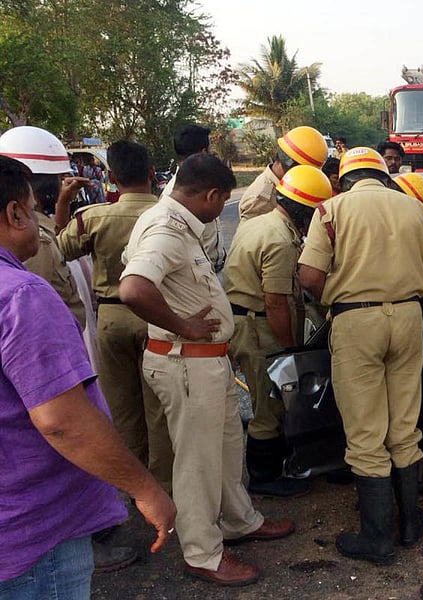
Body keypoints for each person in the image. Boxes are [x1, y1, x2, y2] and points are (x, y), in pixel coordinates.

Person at [0, 154, 176, 598]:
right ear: (15, 213)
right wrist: (146, 489)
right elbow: (61, 420)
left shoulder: (92, 219)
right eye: (32, 208)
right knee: (151, 410)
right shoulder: (21, 295)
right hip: (33, 531)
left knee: (125, 408)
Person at [120, 153, 295, 586]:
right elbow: (133, 288)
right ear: (212, 195)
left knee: (227, 448)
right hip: (185, 363)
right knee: (198, 462)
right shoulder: (165, 227)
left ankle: (239, 520)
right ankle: (202, 553)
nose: (223, 209)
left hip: (204, 362)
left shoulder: (173, 221)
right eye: (223, 201)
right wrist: (184, 326)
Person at [298, 146, 423, 565]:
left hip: (355, 322)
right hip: (408, 317)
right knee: (404, 423)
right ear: (385, 176)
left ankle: (377, 536)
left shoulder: (330, 211)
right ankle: (411, 522)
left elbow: (310, 276)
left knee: (366, 432)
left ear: (344, 178)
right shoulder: (420, 211)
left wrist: (337, 293)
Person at [57, 140, 174, 498]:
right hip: (159, 317)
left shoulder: (93, 217)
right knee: (159, 406)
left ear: (110, 178)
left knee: (121, 406)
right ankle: (164, 484)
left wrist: (63, 202)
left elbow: (58, 248)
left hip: (111, 319)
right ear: (152, 174)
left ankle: (129, 488)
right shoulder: (170, 213)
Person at [224, 165, 332, 497]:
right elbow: (275, 303)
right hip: (259, 325)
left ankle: (271, 468)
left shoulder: (260, 221)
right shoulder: (280, 239)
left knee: (265, 398)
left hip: (244, 319)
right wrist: (290, 352)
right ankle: (263, 477)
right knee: (270, 404)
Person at [0, 126, 90, 329]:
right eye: (60, 179)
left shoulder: (29, 233)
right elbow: (32, 320)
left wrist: (63, 203)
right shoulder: (34, 244)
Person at [161, 124, 227, 272]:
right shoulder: (175, 195)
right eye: (210, 151)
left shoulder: (202, 183)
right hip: (198, 276)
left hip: (215, 269)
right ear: (204, 152)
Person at [238, 126, 328, 222]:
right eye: (307, 172)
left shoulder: (286, 185)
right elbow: (255, 235)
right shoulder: (261, 200)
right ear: (290, 164)